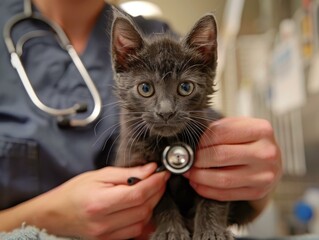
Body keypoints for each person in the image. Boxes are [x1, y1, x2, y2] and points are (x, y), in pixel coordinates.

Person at [0, 0, 282, 239]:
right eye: (146, 89)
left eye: (184, 88)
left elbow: (244, 200)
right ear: (121, 58)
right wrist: (44, 217)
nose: (166, 110)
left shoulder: (157, 34)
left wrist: (258, 182)